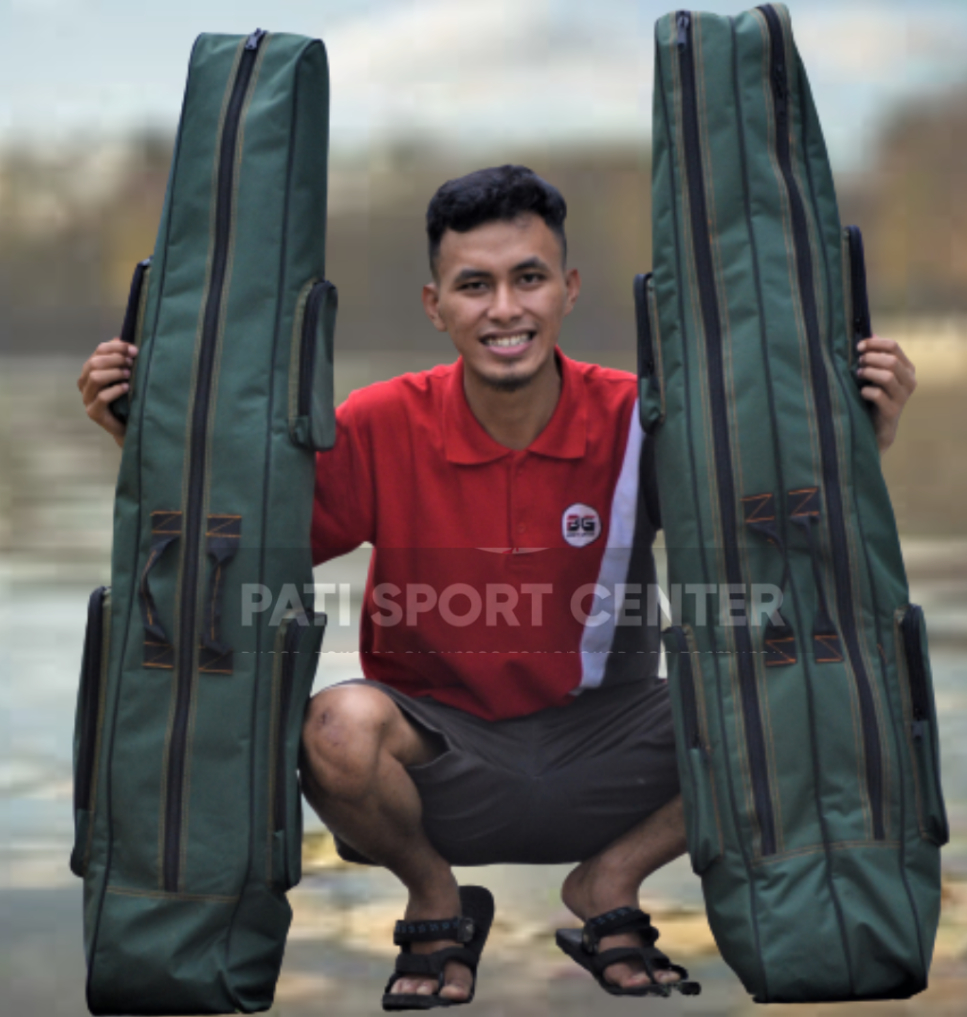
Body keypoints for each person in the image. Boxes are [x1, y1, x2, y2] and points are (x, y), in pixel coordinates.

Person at [78, 165, 918, 1008]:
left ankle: (610, 879)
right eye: (474, 285)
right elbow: (238, 550)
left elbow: (770, 536)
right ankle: (435, 894)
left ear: (569, 289)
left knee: (781, 686)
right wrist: (143, 446)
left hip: (614, 745)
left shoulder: (642, 419)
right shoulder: (379, 421)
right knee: (334, 726)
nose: (505, 309)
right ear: (435, 304)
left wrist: (862, 445)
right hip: (441, 761)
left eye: (529, 278)